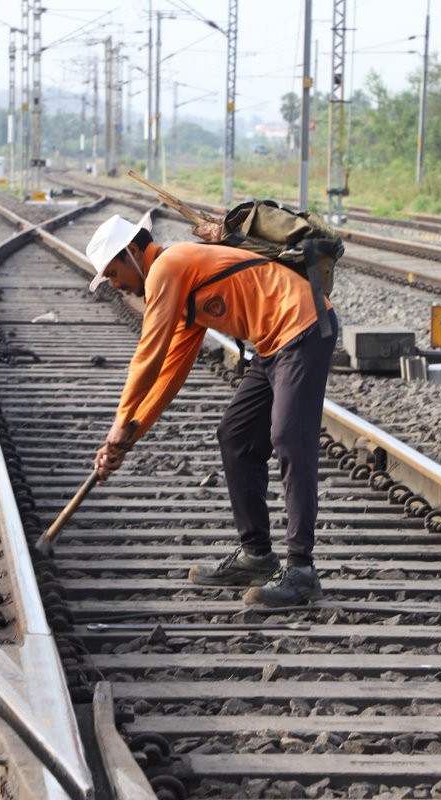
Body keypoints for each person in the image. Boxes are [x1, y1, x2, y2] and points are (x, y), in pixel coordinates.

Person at [85, 210, 338, 607]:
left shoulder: (166, 267)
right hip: (274, 344)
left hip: (303, 325)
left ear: (132, 251)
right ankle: (256, 555)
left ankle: (302, 570)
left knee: (290, 437)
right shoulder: (182, 286)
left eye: (114, 275)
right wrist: (130, 433)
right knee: (236, 435)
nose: (117, 286)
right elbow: (169, 373)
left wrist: (118, 423)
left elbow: (147, 356)